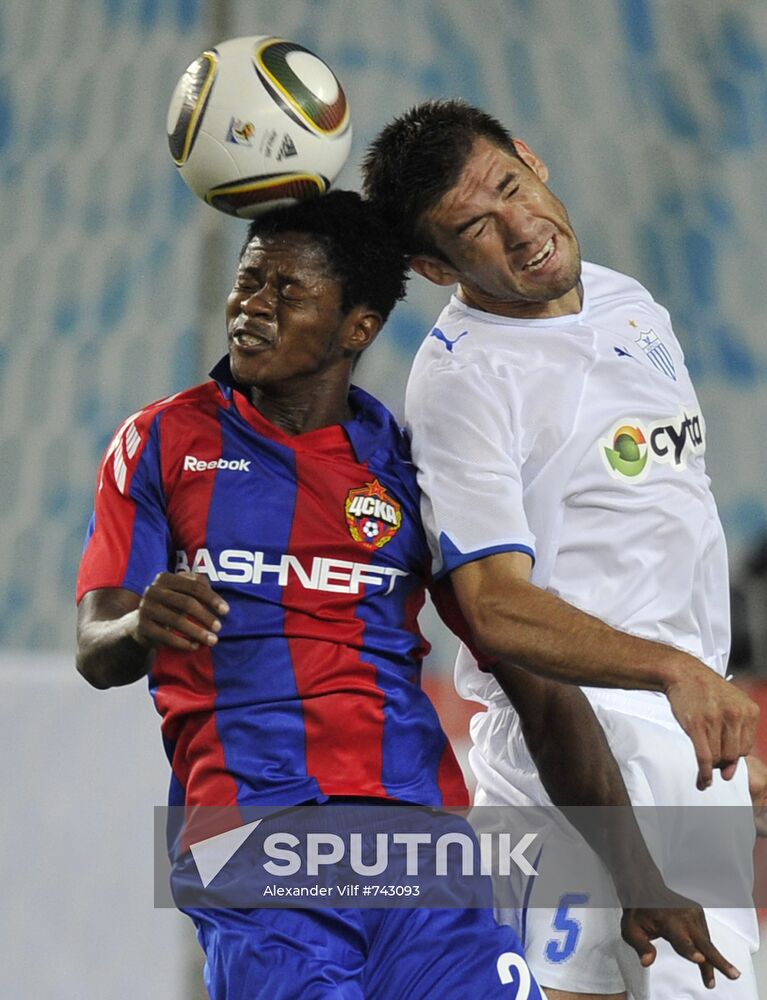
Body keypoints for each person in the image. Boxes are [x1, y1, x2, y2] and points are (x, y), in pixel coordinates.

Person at [75, 191, 735, 1000]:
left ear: (356, 327)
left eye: (287, 291)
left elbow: (538, 691)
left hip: (421, 849)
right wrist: (141, 624)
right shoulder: (163, 441)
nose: (252, 307)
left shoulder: (405, 469)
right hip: (257, 846)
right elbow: (98, 649)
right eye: (247, 282)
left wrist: (636, 874)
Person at [362, 100, 760, 1000]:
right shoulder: (464, 382)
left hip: (674, 740)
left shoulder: (627, 301)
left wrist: (703, 739)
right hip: (571, 757)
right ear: (434, 268)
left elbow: (653, 535)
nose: (520, 228)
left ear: (531, 158)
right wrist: (674, 676)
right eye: (474, 227)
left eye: (511, 186)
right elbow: (494, 607)